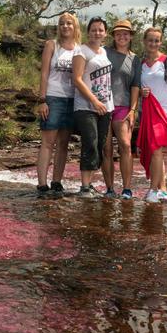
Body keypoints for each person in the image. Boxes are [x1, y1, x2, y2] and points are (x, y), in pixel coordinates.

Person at [35, 12, 81, 194]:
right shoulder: (51, 45)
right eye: (62, 23)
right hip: (53, 98)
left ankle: (56, 182)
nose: (65, 26)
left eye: (69, 23)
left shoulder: (79, 48)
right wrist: (42, 100)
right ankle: (41, 184)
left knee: (63, 143)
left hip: (72, 99)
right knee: (48, 143)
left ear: (75, 26)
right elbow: (44, 73)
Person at [137, 27, 167, 203]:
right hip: (147, 111)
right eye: (150, 40)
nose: (153, 43)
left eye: (157, 40)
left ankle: (153, 190)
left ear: (161, 42)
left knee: (156, 149)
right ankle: (163, 189)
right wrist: (142, 92)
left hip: (165, 111)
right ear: (144, 41)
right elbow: (136, 89)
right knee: (155, 151)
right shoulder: (140, 64)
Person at [72, 17, 114, 198]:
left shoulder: (104, 52)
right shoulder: (81, 51)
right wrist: (94, 101)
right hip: (86, 107)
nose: (97, 33)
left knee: (99, 145)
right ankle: (84, 187)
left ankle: (90, 185)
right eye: (94, 29)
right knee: (90, 142)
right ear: (88, 31)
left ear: (105, 33)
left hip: (106, 107)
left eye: (101, 30)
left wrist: (104, 104)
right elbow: (77, 79)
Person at [102, 19, 142, 199]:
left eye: (125, 33)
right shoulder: (104, 52)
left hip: (123, 107)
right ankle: (109, 189)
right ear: (113, 36)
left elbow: (135, 86)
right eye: (118, 33)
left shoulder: (135, 59)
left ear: (131, 36)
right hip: (103, 106)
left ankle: (126, 189)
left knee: (126, 145)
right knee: (107, 149)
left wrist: (133, 110)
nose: (122, 36)